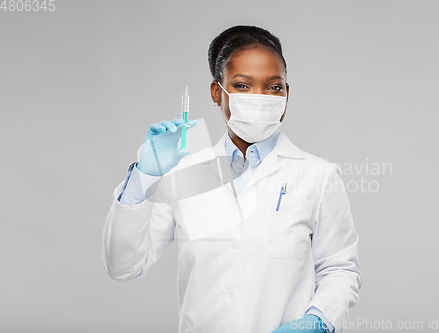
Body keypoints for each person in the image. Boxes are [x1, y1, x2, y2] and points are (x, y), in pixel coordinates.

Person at [102, 25, 363, 333]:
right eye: (242, 85)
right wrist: (144, 176)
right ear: (217, 92)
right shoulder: (184, 175)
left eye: (274, 87)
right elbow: (123, 266)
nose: (261, 98)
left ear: (286, 94)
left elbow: (340, 269)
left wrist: (318, 321)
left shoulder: (317, 175)